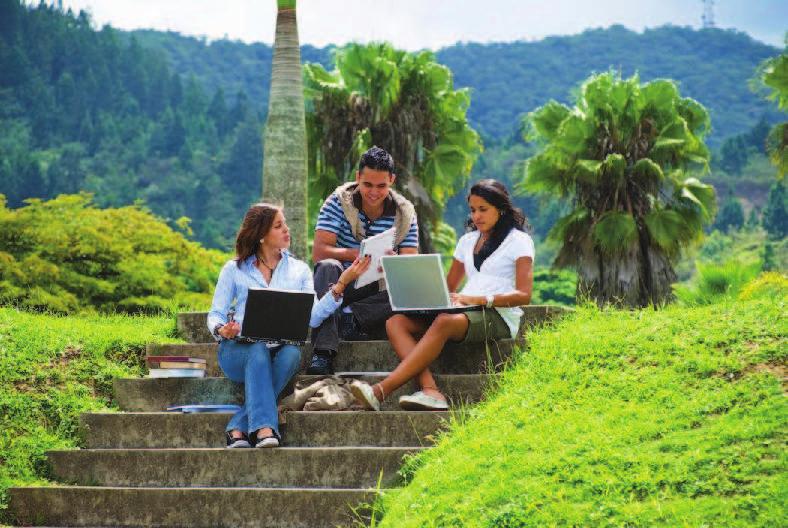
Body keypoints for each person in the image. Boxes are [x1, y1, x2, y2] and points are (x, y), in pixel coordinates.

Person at [350, 179, 534, 411]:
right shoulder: (467, 241)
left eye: (483, 209)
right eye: (473, 210)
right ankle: (430, 390)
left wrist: (480, 299)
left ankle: (380, 390)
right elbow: (446, 287)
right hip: (462, 310)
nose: (477, 216)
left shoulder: (519, 241)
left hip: (497, 315)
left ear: (501, 208)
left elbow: (524, 295)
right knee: (396, 322)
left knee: (445, 321)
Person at [207, 203, 370, 448]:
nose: (287, 230)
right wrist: (222, 329)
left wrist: (341, 284)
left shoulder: (299, 270)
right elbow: (215, 314)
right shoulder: (234, 269)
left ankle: (238, 426)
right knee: (257, 349)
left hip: (279, 351)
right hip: (236, 353)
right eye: (278, 225)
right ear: (262, 235)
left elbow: (313, 317)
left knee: (292, 352)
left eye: (285, 223)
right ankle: (264, 428)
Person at [307, 146, 419, 375]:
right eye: (367, 184)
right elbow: (319, 253)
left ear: (392, 181)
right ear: (358, 178)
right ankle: (323, 352)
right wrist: (357, 255)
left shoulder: (404, 213)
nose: (374, 193)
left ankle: (353, 317)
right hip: (340, 282)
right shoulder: (338, 202)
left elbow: (410, 265)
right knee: (327, 266)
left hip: (377, 288)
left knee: (414, 290)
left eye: (381, 186)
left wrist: (393, 263)